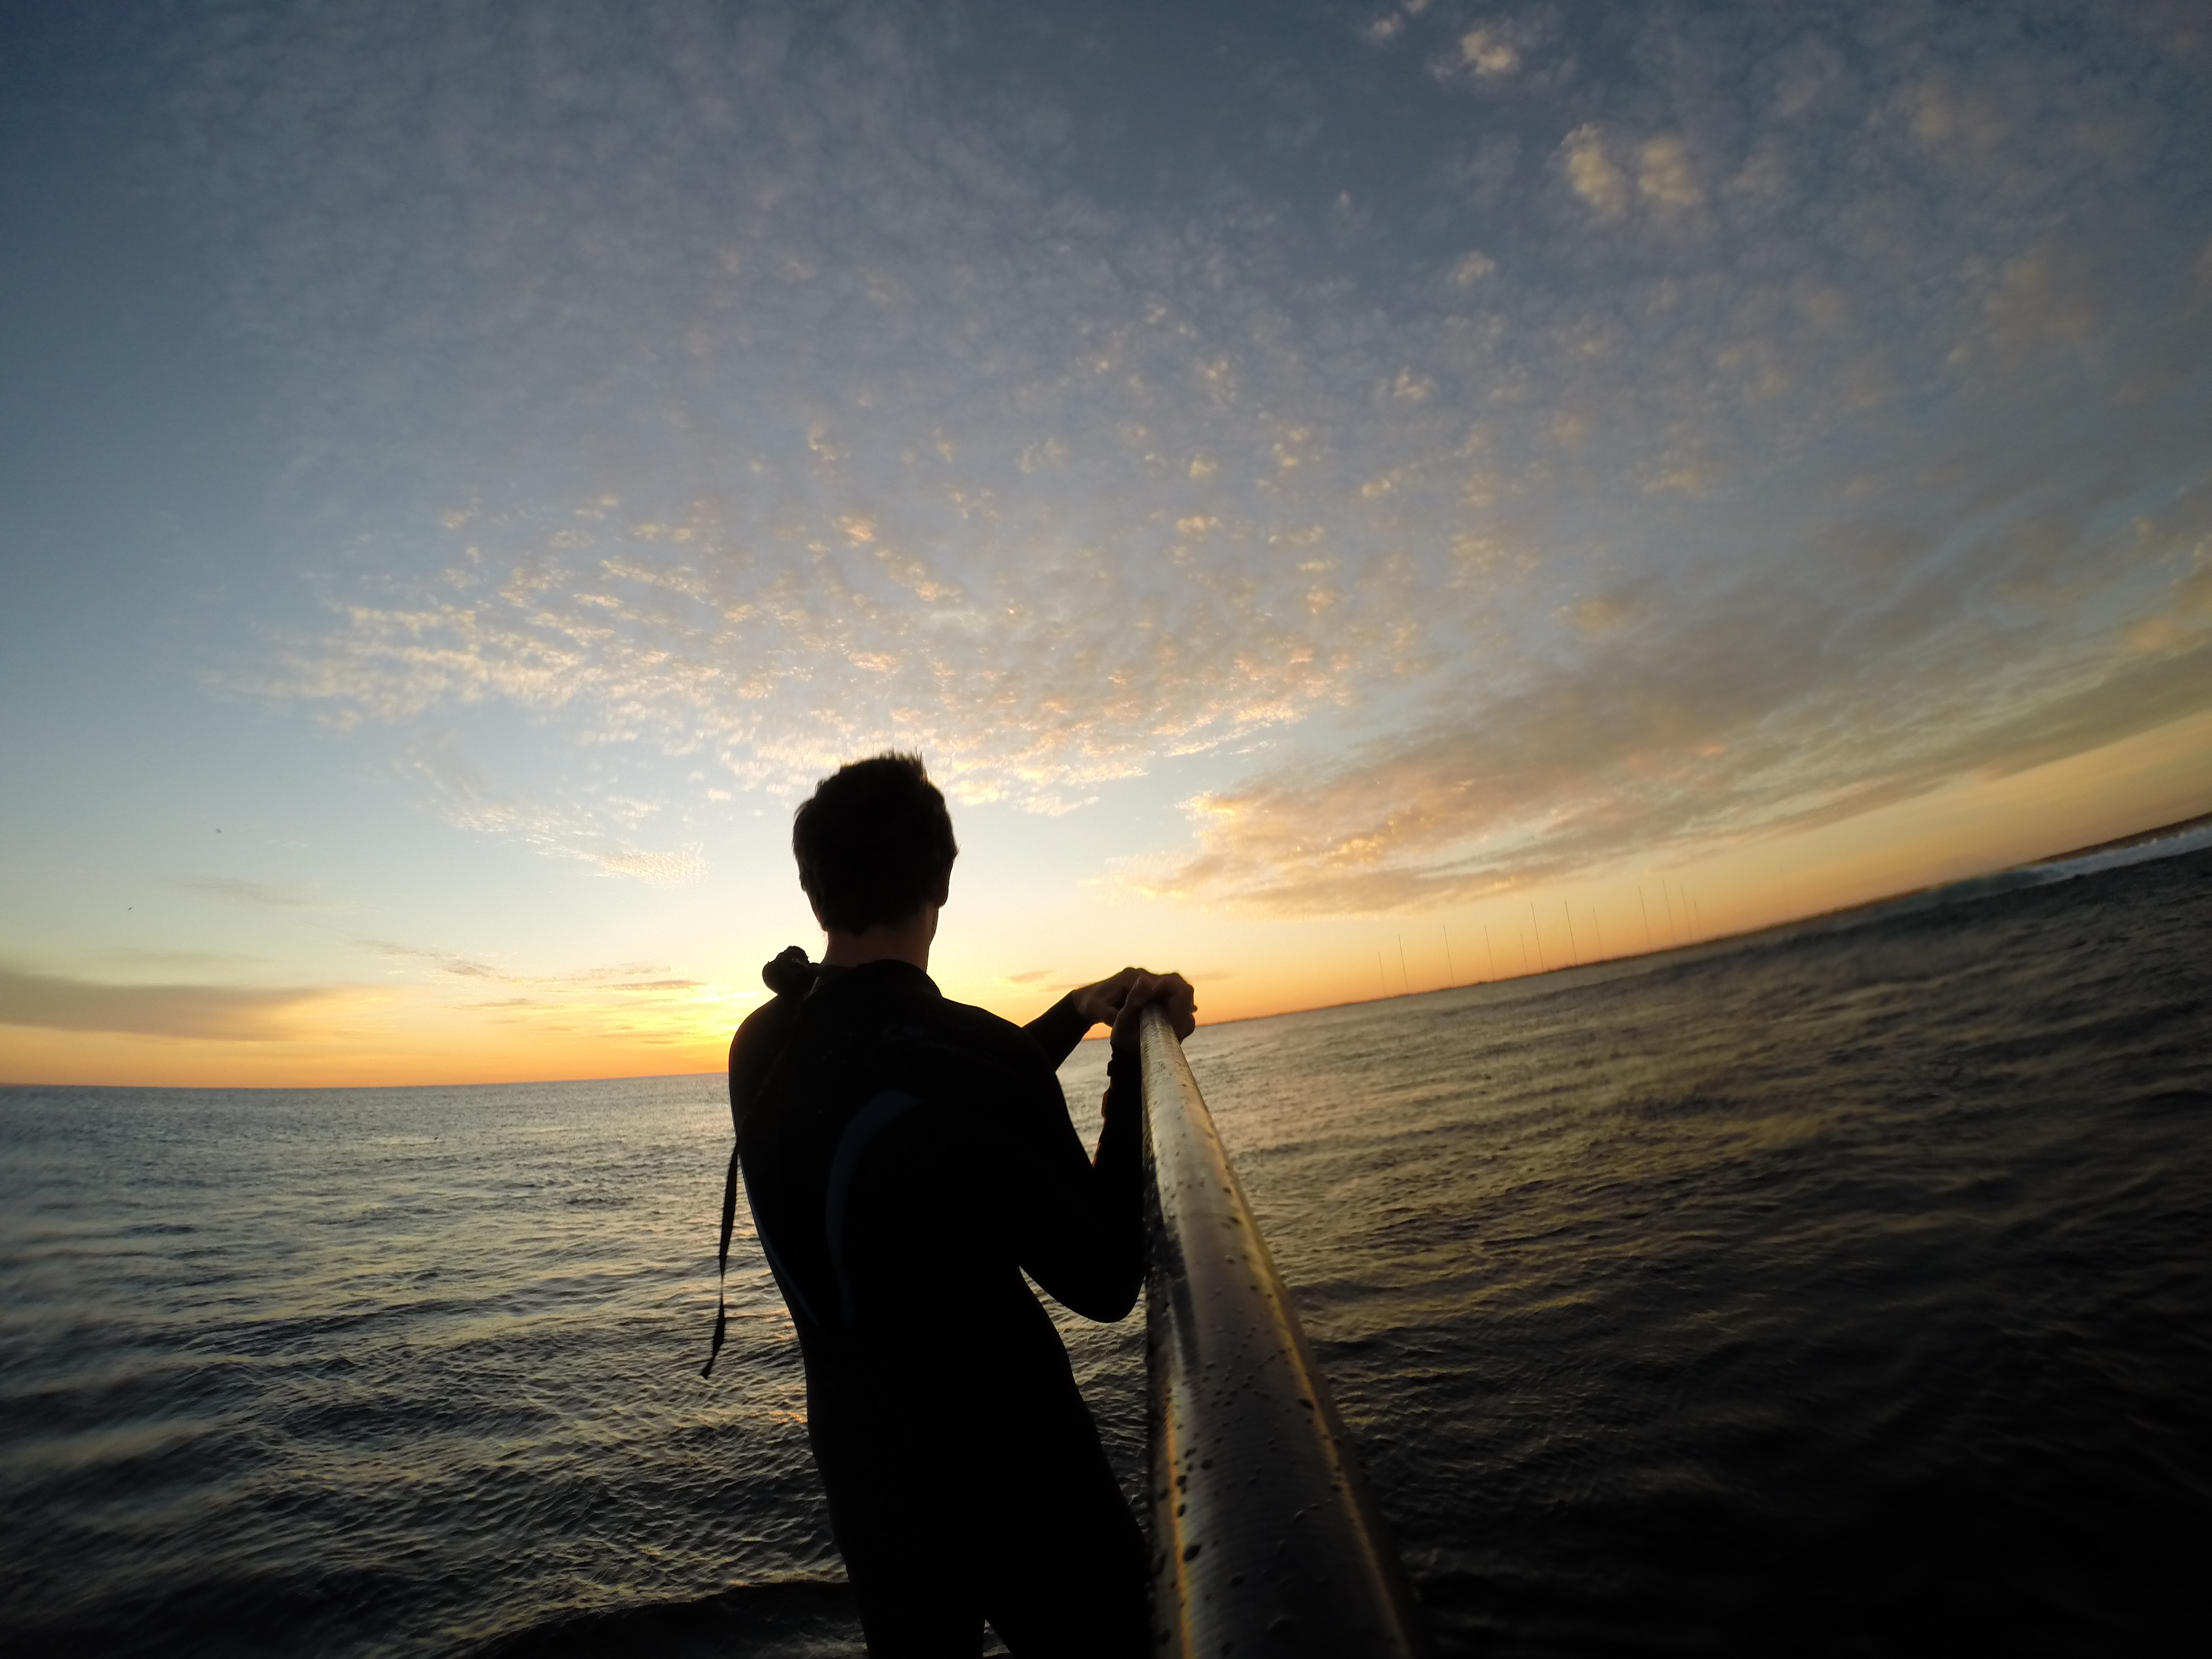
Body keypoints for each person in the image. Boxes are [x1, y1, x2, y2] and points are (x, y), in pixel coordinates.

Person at [708, 752, 1196, 1656]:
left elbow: (911, 1092)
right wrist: (1129, 1063)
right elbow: (1103, 1279)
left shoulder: (759, 1045)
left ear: (815, 897)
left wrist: (1073, 1012)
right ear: (942, 879)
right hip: (1022, 1483)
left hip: (869, 1485)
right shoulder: (972, 1060)